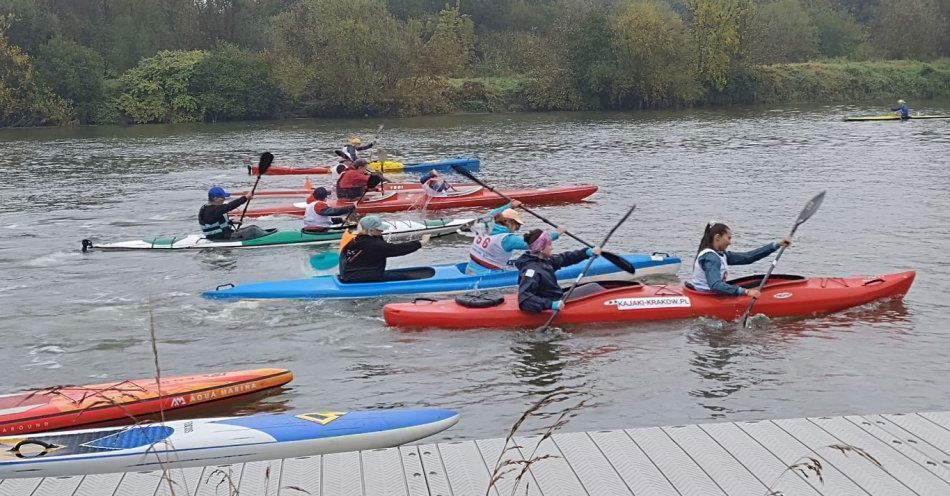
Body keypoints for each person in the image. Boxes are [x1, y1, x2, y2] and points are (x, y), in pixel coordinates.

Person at [690, 221, 792, 298]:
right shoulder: (711, 257)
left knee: (761, 282)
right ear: (717, 237)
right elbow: (715, 285)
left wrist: (776, 245)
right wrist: (746, 292)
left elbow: (748, 257)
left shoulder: (721, 254)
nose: (730, 243)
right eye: (728, 238)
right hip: (708, 296)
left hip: (710, 293)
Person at [465, 200, 564, 275]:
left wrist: (510, 206)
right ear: (508, 221)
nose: (516, 229)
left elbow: (492, 214)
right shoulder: (507, 239)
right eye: (516, 225)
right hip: (486, 275)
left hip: (469, 269)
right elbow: (536, 243)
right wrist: (557, 233)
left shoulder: (484, 224)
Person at [515, 229, 601, 313]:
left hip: (556, 297)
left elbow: (565, 258)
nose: (552, 248)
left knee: (595, 286)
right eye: (549, 245)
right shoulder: (531, 271)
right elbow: (524, 299)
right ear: (541, 248)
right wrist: (551, 305)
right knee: (595, 287)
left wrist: (586, 253)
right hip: (553, 302)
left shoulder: (544, 260)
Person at [339, 215, 431, 283]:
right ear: (370, 231)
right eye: (379, 229)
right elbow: (398, 249)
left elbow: (382, 245)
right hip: (358, 279)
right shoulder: (373, 245)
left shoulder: (355, 238)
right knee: (409, 279)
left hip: (349, 275)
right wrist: (421, 243)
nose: (382, 231)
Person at [198, 186, 269, 241]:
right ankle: (269, 238)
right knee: (252, 230)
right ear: (215, 198)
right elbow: (230, 206)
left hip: (223, 234)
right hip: (219, 237)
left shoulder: (209, 208)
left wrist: (230, 222)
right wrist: (245, 197)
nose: (224, 199)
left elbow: (214, 221)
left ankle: (269, 234)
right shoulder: (211, 210)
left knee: (253, 227)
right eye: (222, 198)